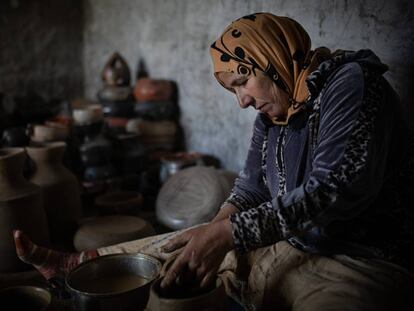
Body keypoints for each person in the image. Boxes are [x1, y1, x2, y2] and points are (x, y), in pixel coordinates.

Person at [14, 12, 414, 310]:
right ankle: (76, 266)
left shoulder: (352, 84)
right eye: (233, 90)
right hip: (289, 245)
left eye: (242, 82)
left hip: (361, 262)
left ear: (270, 58)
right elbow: (252, 188)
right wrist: (214, 229)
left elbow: (334, 189)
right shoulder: (274, 112)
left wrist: (228, 236)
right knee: (181, 246)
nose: (241, 100)